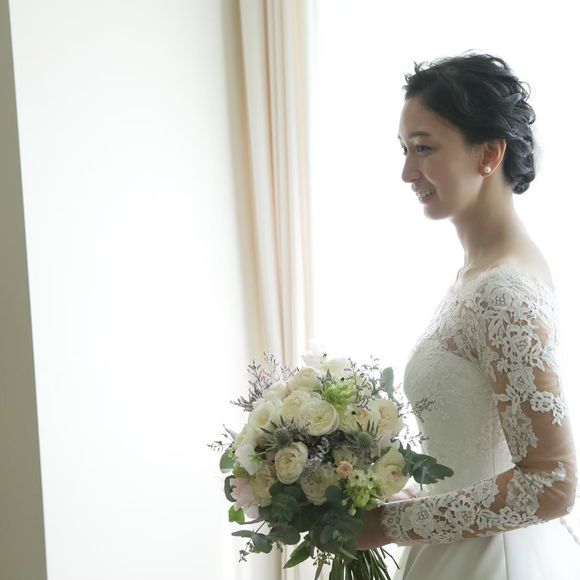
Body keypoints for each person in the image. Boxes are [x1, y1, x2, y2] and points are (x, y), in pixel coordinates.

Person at [356, 51, 580, 579]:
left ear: (489, 153)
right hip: (458, 552)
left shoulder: (503, 289)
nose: (407, 171)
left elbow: (553, 481)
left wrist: (390, 525)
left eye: (424, 148)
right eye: (405, 149)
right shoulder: (476, 276)